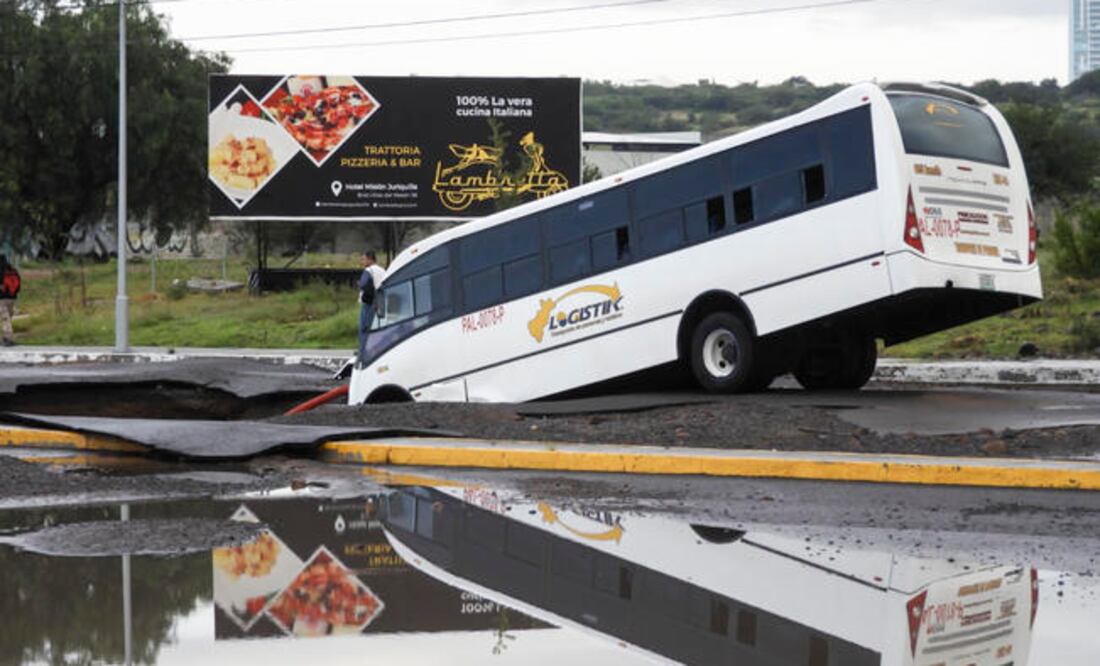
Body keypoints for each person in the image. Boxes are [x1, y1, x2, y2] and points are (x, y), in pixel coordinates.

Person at [358, 250, 386, 352]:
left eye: (364, 259)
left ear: (370, 259)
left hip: (368, 302)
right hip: (380, 301)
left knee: (364, 327)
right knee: (377, 327)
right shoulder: (383, 270)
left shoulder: (368, 270)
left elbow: (363, 284)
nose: (362, 262)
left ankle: (363, 349)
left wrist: (360, 284)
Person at [0, 254, 21, 347]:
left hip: (2, 298)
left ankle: (8, 338)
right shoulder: (13, 271)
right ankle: (6, 337)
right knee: (8, 318)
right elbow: (19, 286)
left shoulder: (1, 271)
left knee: (5, 319)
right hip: (12, 298)